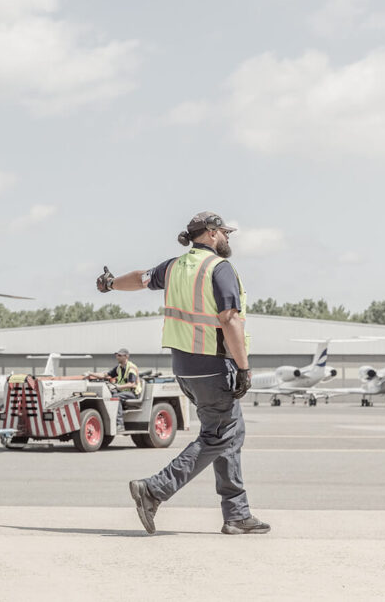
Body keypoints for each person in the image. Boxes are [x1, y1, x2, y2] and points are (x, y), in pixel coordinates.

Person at [96, 211, 270, 536]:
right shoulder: (220, 269)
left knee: (228, 434)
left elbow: (139, 278)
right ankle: (155, 489)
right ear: (212, 233)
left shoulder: (174, 267)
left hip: (185, 369)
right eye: (226, 232)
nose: (229, 238)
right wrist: (244, 368)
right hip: (214, 365)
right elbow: (229, 319)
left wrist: (110, 284)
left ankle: (237, 514)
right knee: (221, 435)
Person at [108, 348, 142, 432]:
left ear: (126, 356)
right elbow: (106, 375)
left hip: (133, 393)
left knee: (116, 397)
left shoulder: (131, 368)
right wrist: (91, 374)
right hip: (124, 392)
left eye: (119, 355)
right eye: (117, 355)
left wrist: (118, 387)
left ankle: (120, 424)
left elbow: (132, 384)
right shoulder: (119, 367)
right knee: (109, 393)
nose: (117, 357)